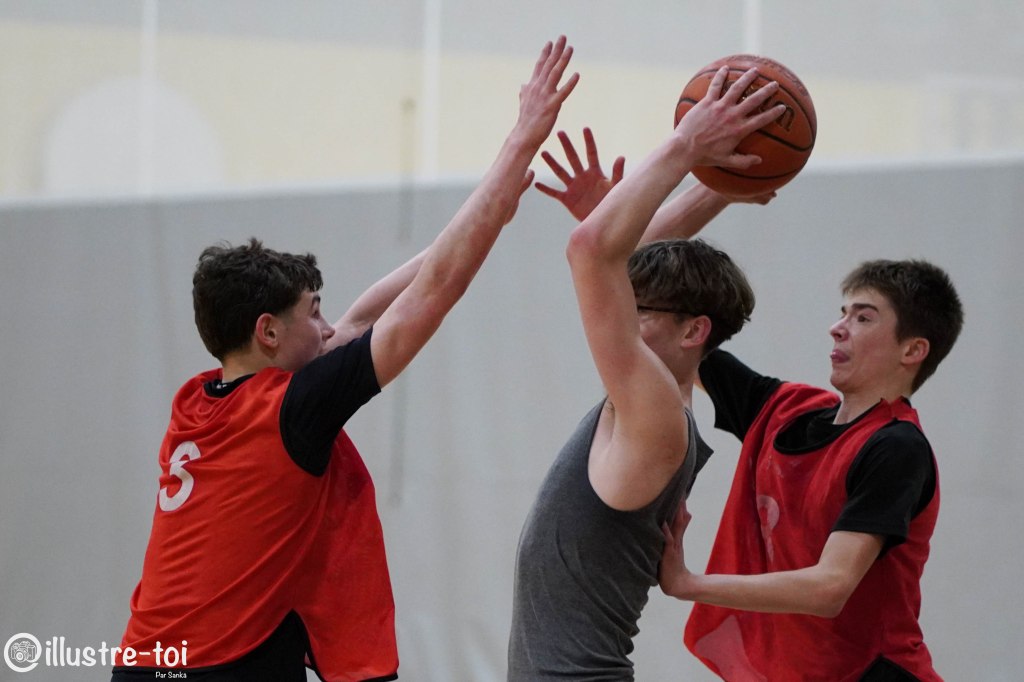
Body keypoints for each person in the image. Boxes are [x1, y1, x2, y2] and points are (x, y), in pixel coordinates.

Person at [111, 36, 579, 682]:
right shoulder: (293, 411)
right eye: (314, 313)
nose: (330, 327)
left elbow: (367, 317)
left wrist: (491, 212)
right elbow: (433, 293)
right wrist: (519, 142)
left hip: (150, 660)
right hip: (217, 669)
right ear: (268, 333)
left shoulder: (199, 399)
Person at [507, 66, 787, 680]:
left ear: (694, 332)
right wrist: (721, 186)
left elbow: (592, 253)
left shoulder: (655, 413)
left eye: (641, 310)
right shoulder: (654, 395)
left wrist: (689, 145)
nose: (623, 315)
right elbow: (616, 261)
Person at [659, 255, 963, 681]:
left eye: (864, 317)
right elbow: (682, 333)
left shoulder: (896, 447)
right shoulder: (784, 410)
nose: (838, 327)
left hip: (871, 672)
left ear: (912, 350)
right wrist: (621, 240)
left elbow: (830, 587)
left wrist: (687, 583)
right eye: (843, 313)